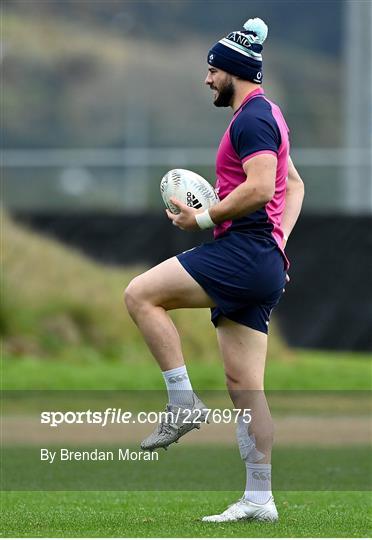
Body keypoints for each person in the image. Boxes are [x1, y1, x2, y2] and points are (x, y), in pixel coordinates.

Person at [125, 17, 304, 522]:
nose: (207, 80)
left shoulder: (251, 119)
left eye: (211, 71)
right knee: (244, 386)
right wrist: (279, 244)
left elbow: (265, 187)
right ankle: (259, 499)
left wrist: (201, 217)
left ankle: (181, 402)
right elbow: (296, 185)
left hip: (242, 251)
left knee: (140, 295)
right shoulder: (270, 116)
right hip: (260, 256)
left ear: (231, 71)